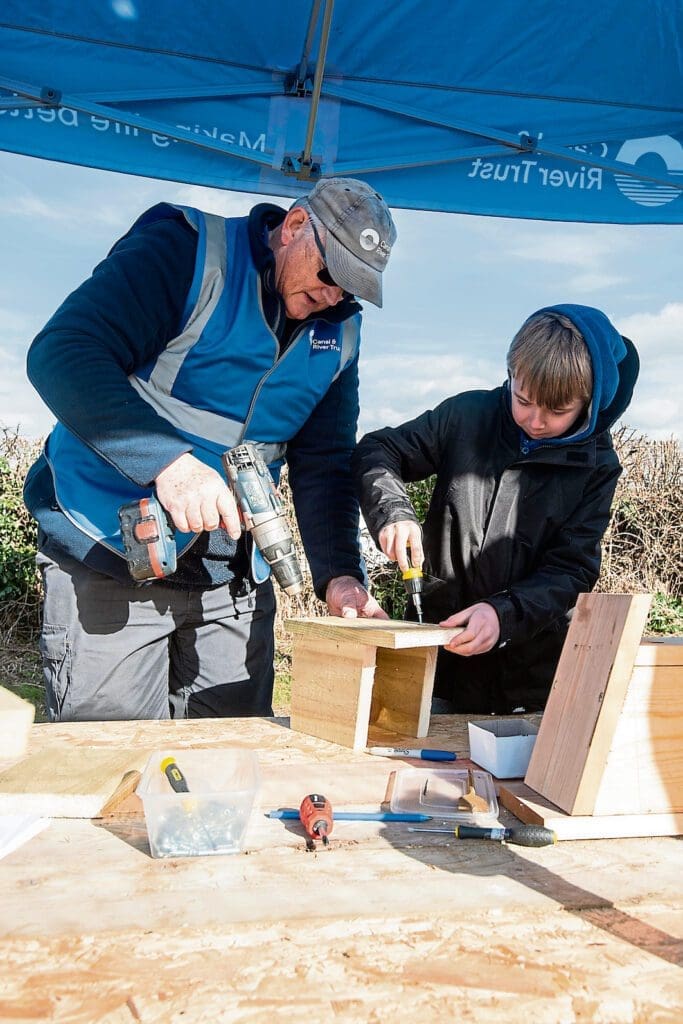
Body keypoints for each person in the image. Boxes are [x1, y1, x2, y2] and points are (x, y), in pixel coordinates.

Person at [25, 177, 396, 722]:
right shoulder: (185, 252)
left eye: (352, 288)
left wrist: (340, 574)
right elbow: (63, 352)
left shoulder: (339, 334)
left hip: (234, 581)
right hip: (110, 551)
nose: (333, 296)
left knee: (230, 762)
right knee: (111, 767)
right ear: (294, 227)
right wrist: (169, 466)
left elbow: (326, 465)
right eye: (329, 274)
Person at [352, 304, 639, 714]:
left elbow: (572, 568)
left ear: (590, 403)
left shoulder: (598, 467)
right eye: (523, 400)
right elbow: (378, 451)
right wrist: (393, 510)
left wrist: (503, 615)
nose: (535, 421)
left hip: (528, 680)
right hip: (438, 662)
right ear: (510, 374)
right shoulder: (467, 416)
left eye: (557, 411)